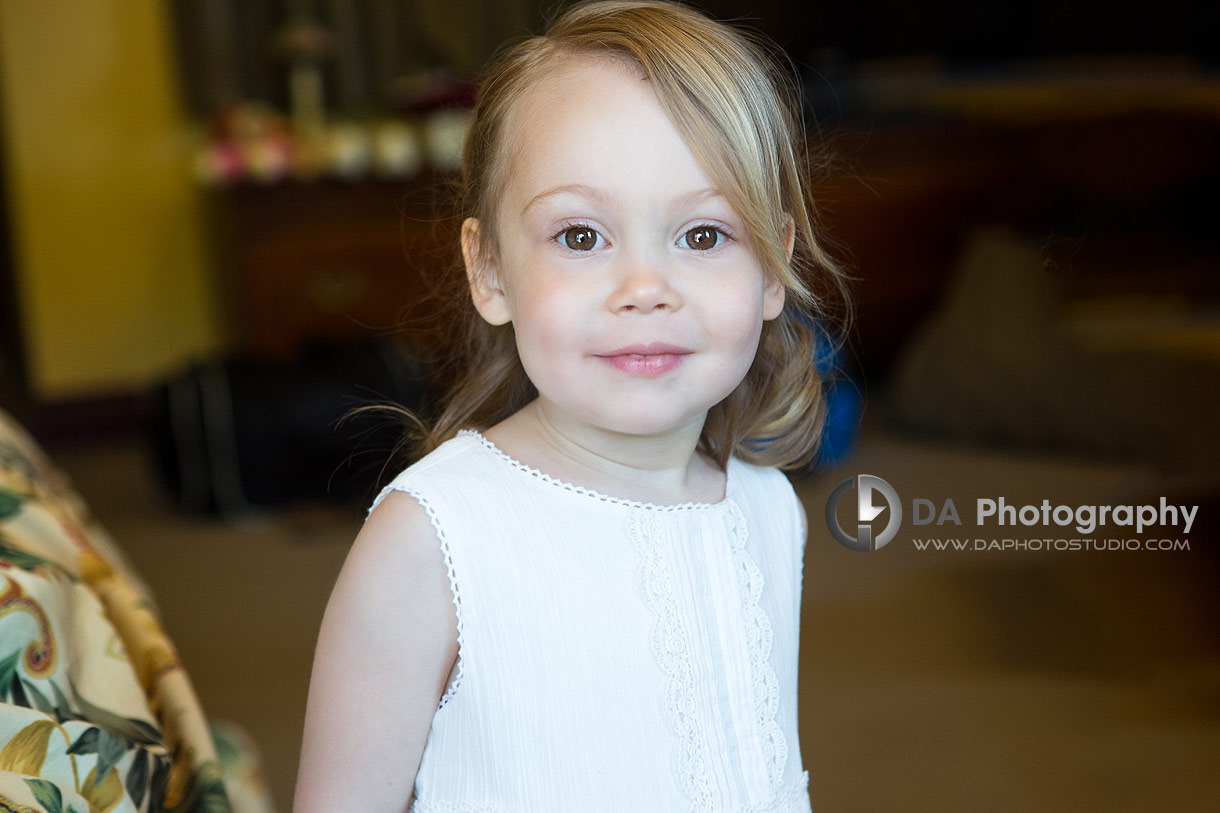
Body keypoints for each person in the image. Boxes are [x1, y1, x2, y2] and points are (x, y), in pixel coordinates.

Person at [296, 1, 848, 809]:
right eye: (582, 236)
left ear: (772, 269)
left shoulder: (768, 509)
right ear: (489, 272)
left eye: (702, 235)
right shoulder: (432, 539)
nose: (644, 290)